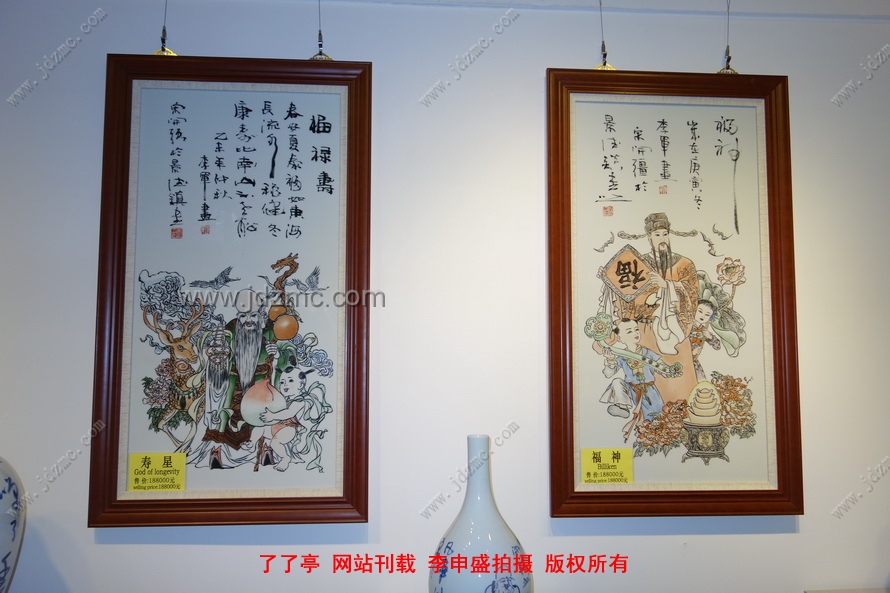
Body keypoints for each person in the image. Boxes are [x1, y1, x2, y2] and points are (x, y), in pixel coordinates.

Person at [602, 212, 699, 402]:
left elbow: (692, 293)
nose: (662, 239)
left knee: (680, 385)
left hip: (675, 330)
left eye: (665, 234)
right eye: (657, 235)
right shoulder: (638, 265)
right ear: (649, 237)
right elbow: (626, 297)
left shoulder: (685, 264)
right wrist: (609, 278)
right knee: (649, 383)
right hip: (644, 333)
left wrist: (668, 286)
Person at [598, 318, 666, 441]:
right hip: (631, 389)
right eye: (629, 331)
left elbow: (662, 366)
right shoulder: (621, 355)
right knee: (617, 382)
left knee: (655, 418)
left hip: (649, 390)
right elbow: (608, 374)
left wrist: (667, 369)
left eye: (636, 330)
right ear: (620, 338)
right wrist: (610, 360)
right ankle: (622, 406)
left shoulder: (647, 353)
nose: (635, 333)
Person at [688, 299, 722, 382]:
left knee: (701, 381)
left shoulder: (703, 330)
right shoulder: (687, 326)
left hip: (694, 361)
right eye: (700, 311)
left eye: (707, 315)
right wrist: (691, 352)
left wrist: (710, 337)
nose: (703, 316)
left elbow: (717, 346)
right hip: (683, 359)